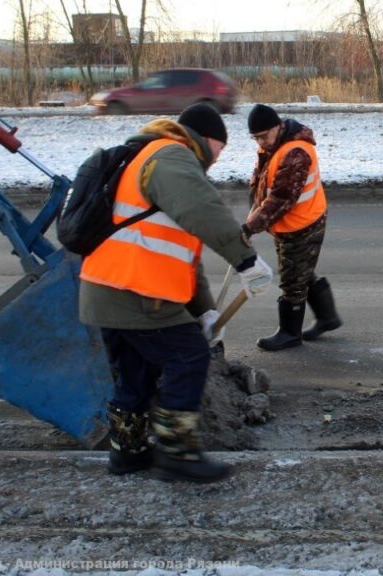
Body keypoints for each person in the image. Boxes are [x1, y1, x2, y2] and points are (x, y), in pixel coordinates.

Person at [79, 103, 273, 483]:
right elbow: (204, 210)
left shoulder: (148, 157)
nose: (217, 159)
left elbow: (184, 253)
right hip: (136, 290)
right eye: (220, 149)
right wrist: (245, 260)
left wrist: (204, 311)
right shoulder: (173, 155)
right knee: (189, 357)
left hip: (105, 290)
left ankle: (128, 451)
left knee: (135, 373)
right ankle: (177, 452)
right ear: (206, 140)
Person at [243, 104, 342, 351]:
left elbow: (281, 198)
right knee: (301, 270)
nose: (261, 142)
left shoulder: (295, 153)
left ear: (278, 127)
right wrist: (256, 206)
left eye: (264, 136)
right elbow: (264, 181)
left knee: (292, 280)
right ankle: (328, 318)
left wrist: (250, 226)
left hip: (302, 224)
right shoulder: (274, 145)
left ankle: (289, 333)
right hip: (292, 222)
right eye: (256, 138)